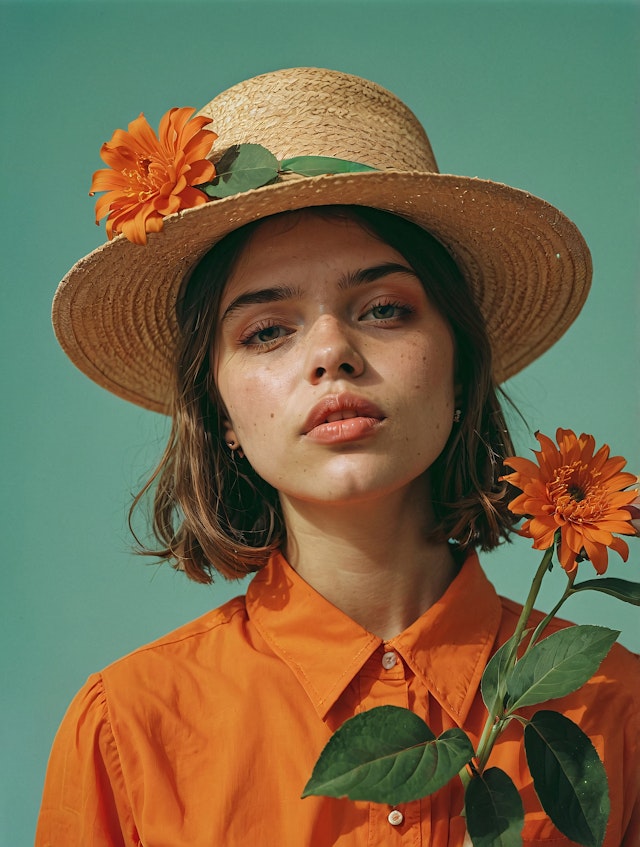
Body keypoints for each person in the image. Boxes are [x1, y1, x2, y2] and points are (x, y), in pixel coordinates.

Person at [36, 68, 638, 846]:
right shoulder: (127, 729)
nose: (331, 353)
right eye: (266, 330)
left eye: (384, 309)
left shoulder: (616, 710)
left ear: (461, 367)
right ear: (218, 408)